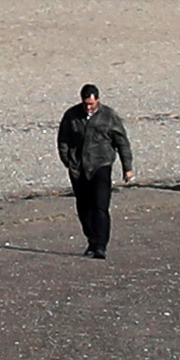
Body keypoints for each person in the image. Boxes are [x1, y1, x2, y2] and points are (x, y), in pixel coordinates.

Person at [56, 84, 132, 257]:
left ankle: (101, 245)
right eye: (85, 103)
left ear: (97, 99)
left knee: (100, 206)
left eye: (91, 103)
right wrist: (67, 159)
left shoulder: (109, 116)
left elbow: (122, 142)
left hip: (101, 165)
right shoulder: (72, 115)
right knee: (84, 208)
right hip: (78, 167)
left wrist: (127, 167)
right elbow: (63, 139)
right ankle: (92, 239)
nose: (88, 107)